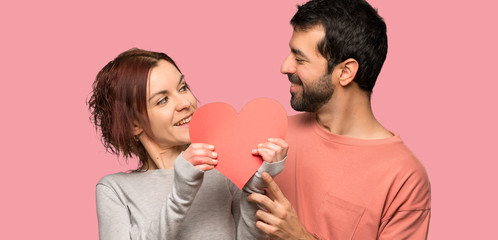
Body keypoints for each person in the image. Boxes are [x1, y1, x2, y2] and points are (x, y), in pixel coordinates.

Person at [248, 0, 431, 239]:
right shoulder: (273, 137)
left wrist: (299, 237)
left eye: (300, 59)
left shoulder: (404, 178)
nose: (285, 67)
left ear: (345, 72)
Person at [87, 48, 288, 239]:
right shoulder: (114, 189)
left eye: (182, 88)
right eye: (162, 100)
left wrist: (254, 187)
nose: (185, 103)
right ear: (134, 125)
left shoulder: (223, 167)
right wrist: (181, 192)